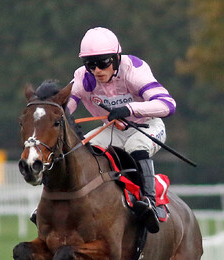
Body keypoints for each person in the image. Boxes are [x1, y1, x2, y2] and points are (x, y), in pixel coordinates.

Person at [66, 27, 176, 233]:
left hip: (147, 126)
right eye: (90, 64)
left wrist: (130, 108)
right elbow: (64, 110)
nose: (97, 70)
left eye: (103, 62)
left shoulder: (134, 70)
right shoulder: (83, 78)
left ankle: (150, 201)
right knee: (80, 150)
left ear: (116, 58)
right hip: (112, 129)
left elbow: (168, 105)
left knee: (136, 145)